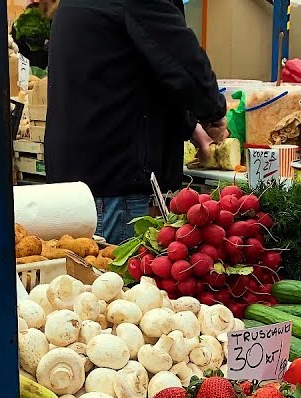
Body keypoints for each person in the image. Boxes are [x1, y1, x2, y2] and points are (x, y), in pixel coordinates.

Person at [44, 0, 228, 244]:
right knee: (117, 278)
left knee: (83, 276)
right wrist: (213, 113)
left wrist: (189, 125)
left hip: (77, 177)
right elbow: (181, 60)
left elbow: (139, 71)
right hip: (113, 181)